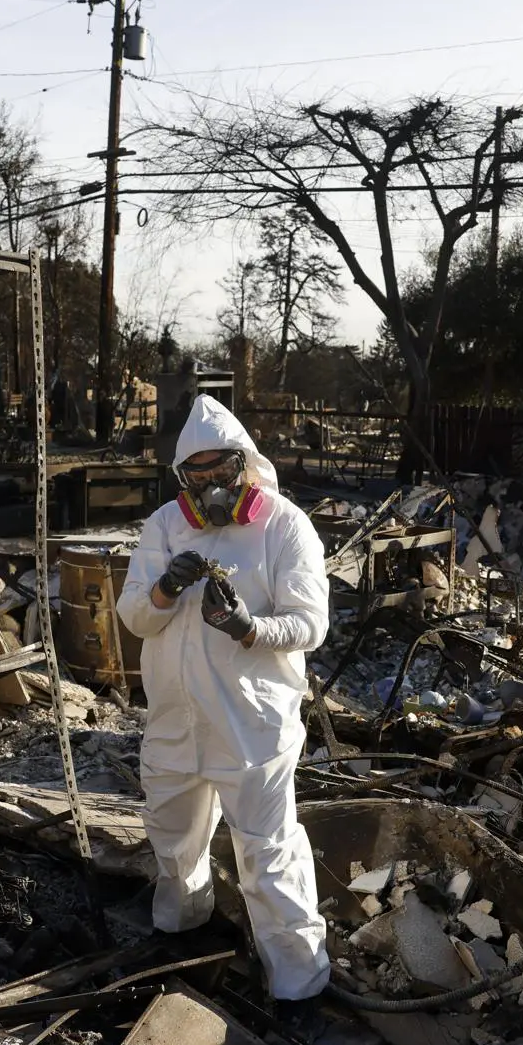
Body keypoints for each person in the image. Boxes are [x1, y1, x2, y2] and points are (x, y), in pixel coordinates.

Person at [117, 396, 332, 1010]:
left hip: (251, 728)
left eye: (222, 471)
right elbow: (134, 617)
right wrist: (164, 587)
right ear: (183, 477)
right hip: (174, 723)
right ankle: (184, 933)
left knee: (267, 853)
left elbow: (311, 624)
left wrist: (249, 628)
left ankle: (299, 983)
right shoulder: (164, 526)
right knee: (174, 836)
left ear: (245, 465)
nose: (212, 486)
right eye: (199, 474)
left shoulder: (284, 526)